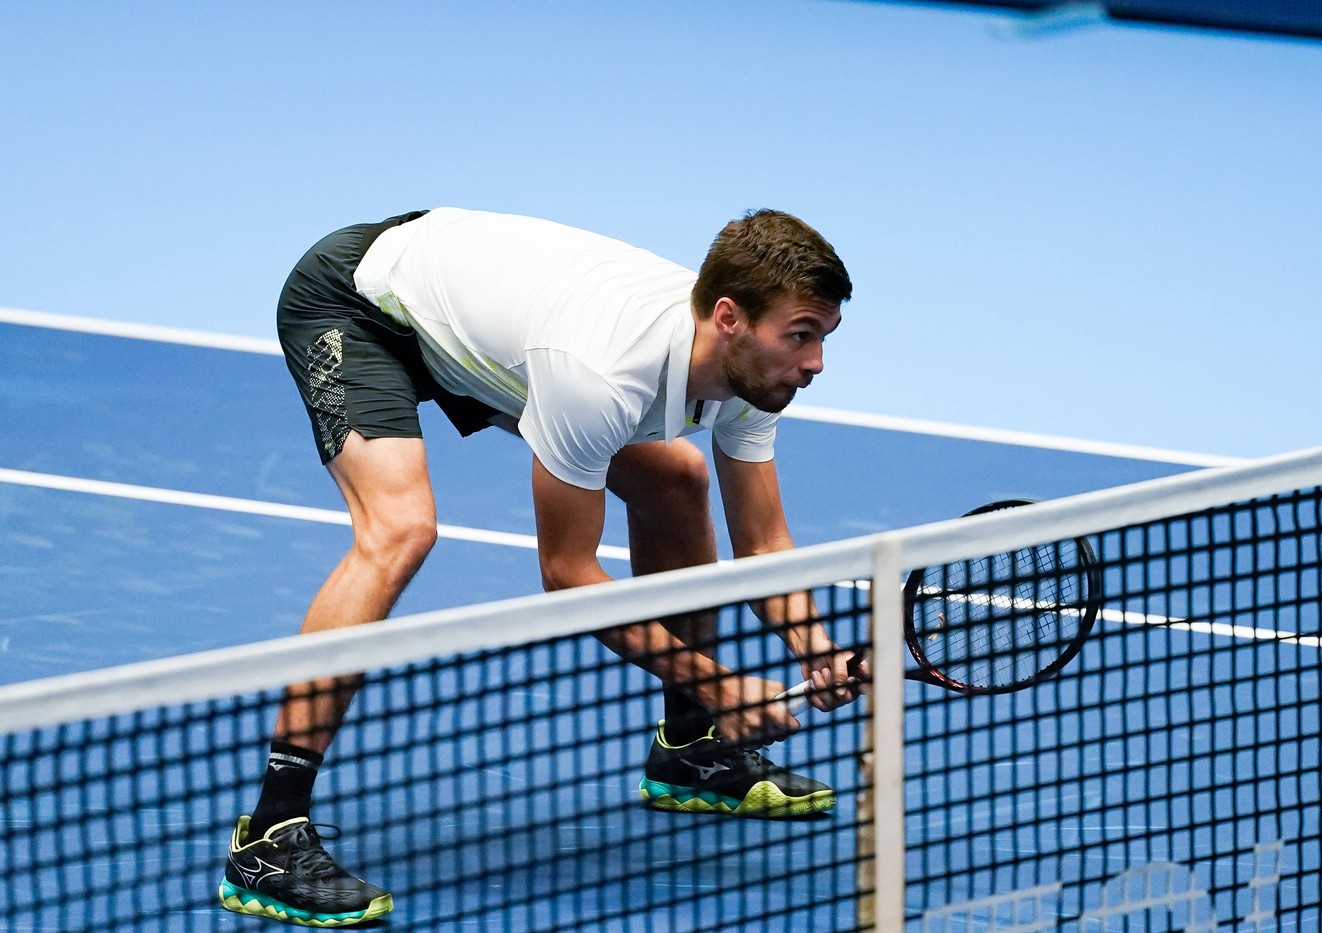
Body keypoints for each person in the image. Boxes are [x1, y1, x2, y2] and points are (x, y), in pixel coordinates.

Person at [218, 207, 860, 927]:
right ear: (728, 317)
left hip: (494, 330)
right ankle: (270, 835)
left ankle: (691, 747)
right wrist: (720, 682)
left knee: (675, 481)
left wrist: (820, 649)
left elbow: (765, 543)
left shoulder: (751, 371)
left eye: (822, 338)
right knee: (400, 529)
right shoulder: (603, 373)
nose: (815, 364)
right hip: (364, 303)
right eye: (801, 337)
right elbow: (566, 575)